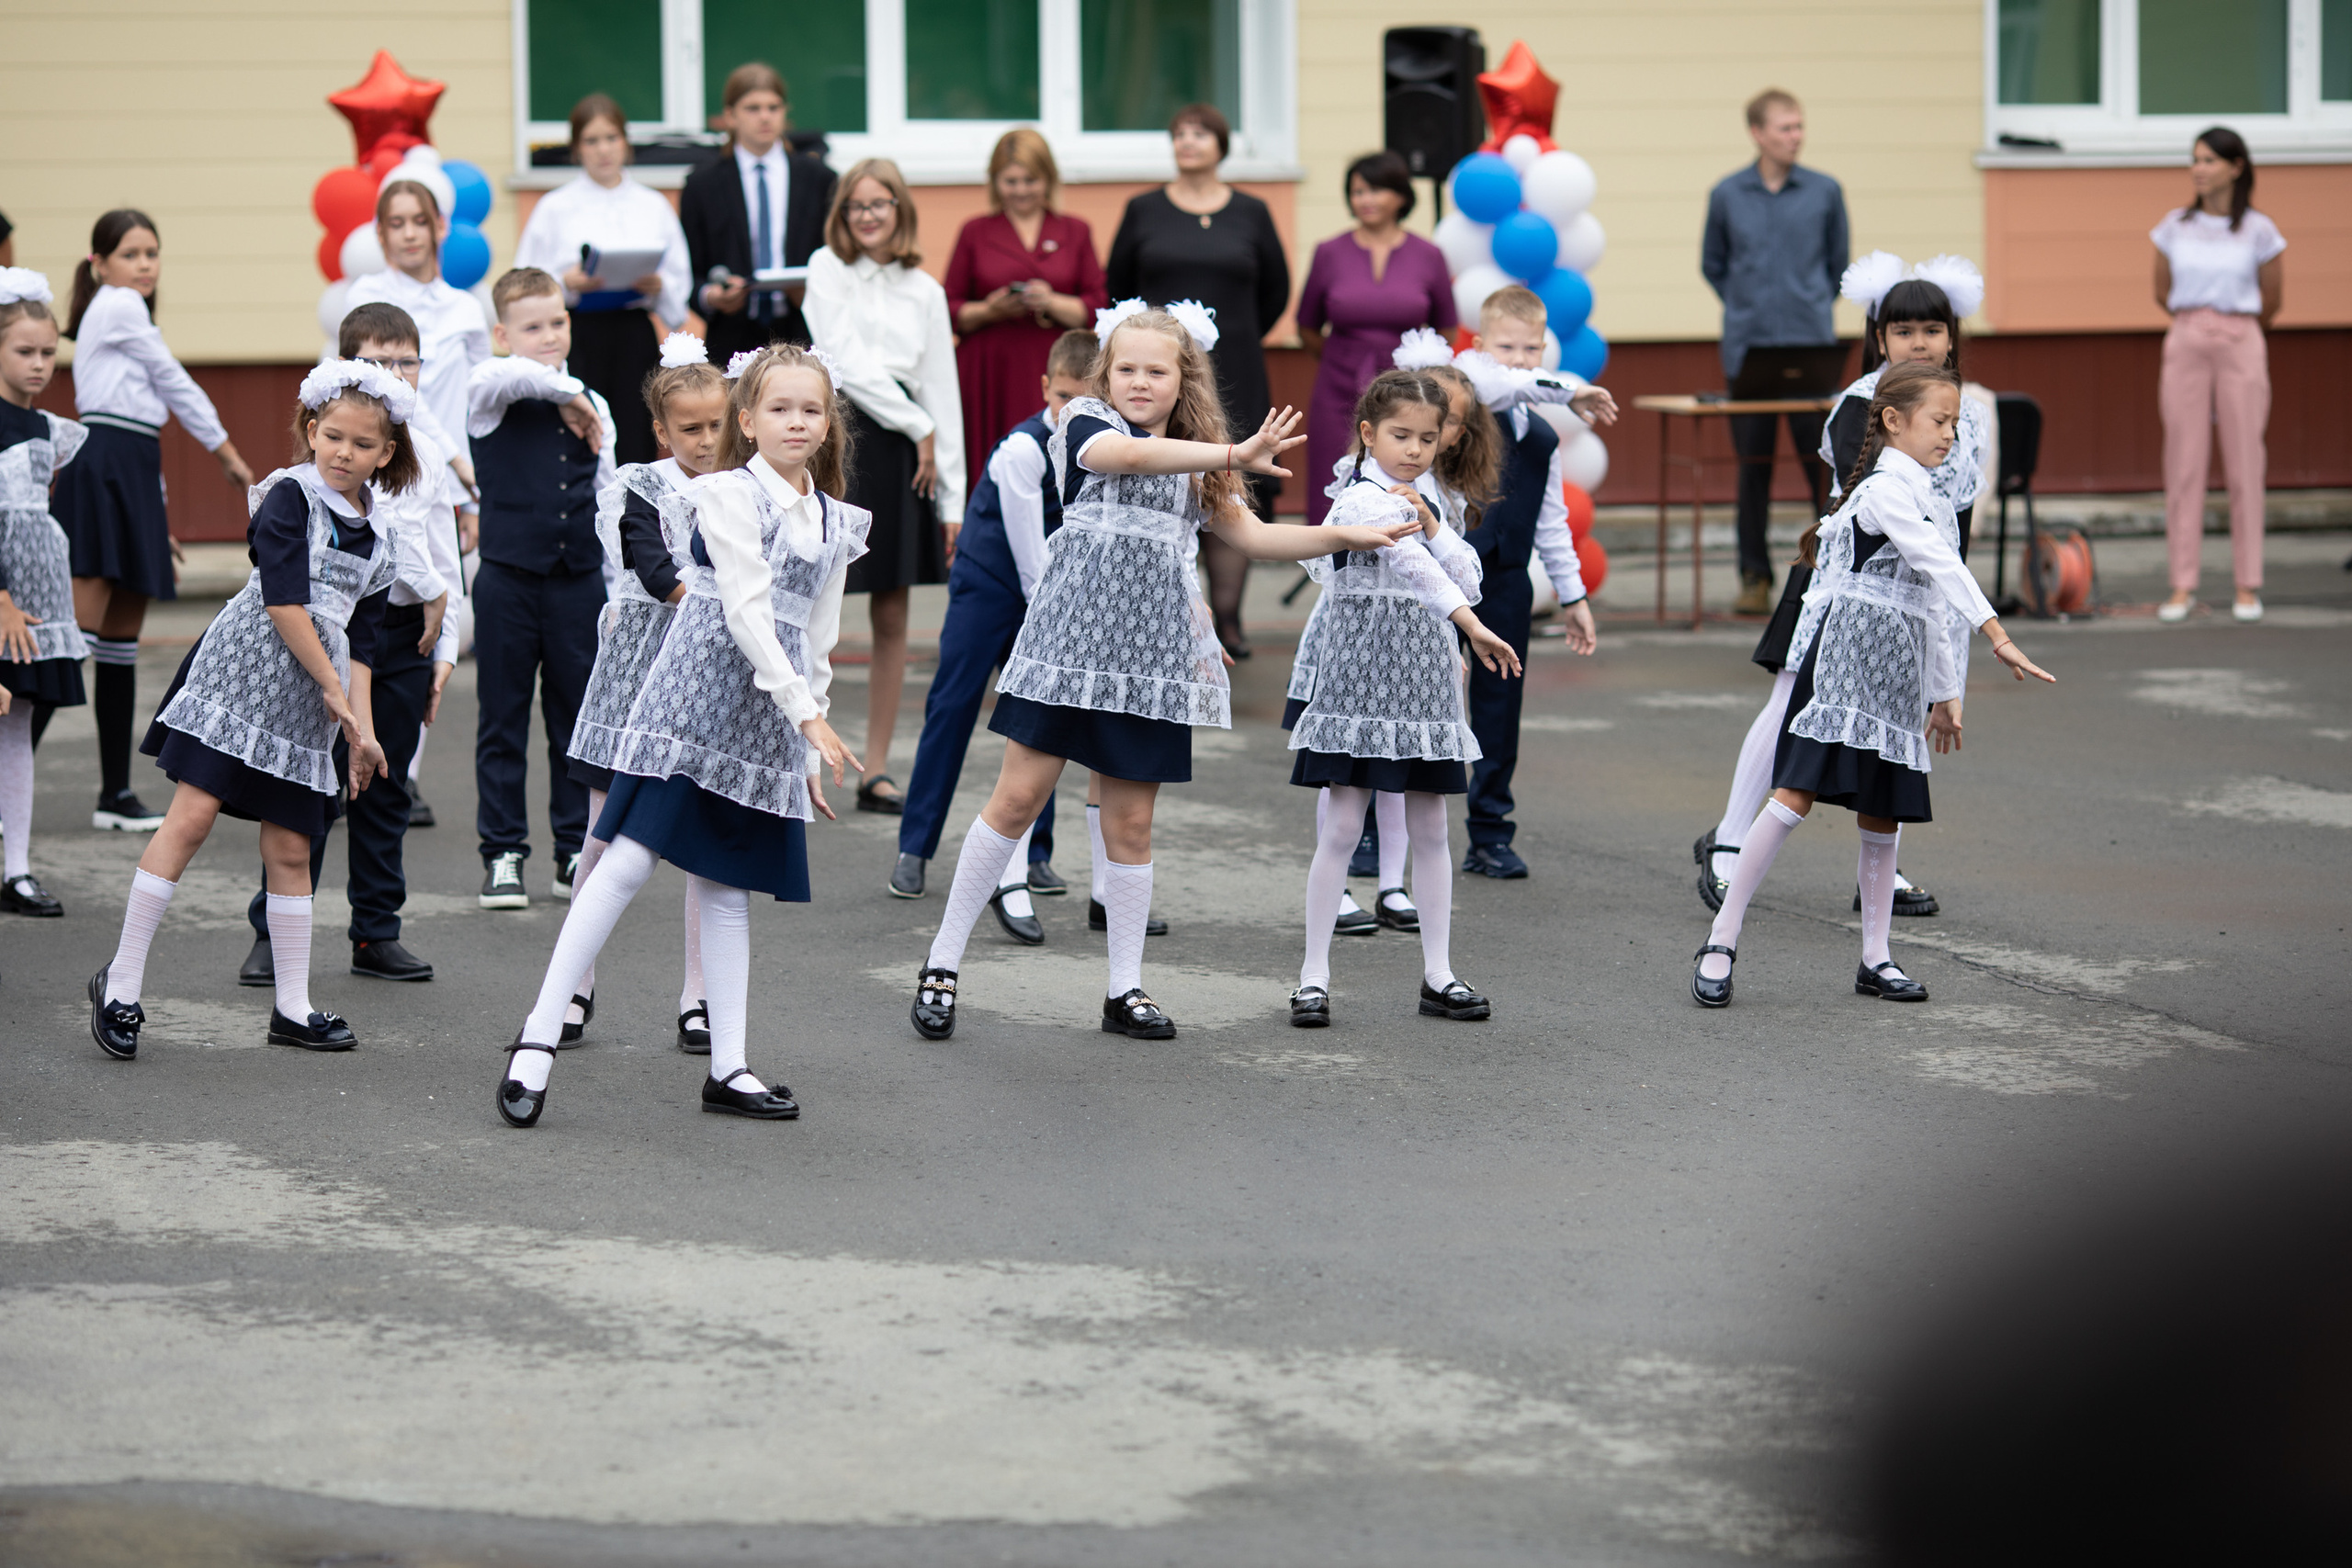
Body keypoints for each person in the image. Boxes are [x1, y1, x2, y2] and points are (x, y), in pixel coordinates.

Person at [905, 301, 1418, 1044]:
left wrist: (1343, 531)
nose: (1139, 381)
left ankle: (1125, 987)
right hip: (1069, 646)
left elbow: (1254, 534)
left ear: (1184, 379)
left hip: (1149, 661)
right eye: (1126, 369)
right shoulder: (1086, 421)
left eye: (1156, 369)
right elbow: (1126, 458)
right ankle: (942, 964)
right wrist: (1234, 454)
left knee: (1133, 822)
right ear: (1105, 377)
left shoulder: (1203, 454)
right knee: (1016, 799)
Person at [494, 344, 865, 1128]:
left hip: (768, 711)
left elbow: (817, 634)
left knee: (726, 886)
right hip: (695, 697)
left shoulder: (836, 518)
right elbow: (746, 610)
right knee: (626, 860)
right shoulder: (726, 494)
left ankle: (728, 1066)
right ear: (748, 419)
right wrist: (806, 712)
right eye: (779, 408)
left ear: (830, 424)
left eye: (811, 409)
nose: (796, 422)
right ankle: (538, 1035)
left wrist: (807, 735)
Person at [1690, 363, 2054, 1010]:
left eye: (1956, 423)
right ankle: (1721, 939)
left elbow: (1928, 608)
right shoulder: (1887, 488)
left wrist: (1944, 692)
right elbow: (1938, 565)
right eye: (1940, 421)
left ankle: (1876, 957)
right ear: (1893, 421)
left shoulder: (1935, 497)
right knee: (1792, 796)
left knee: (1883, 819)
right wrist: (1997, 633)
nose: (1951, 434)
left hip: (1895, 681)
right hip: (1841, 670)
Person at [89, 362, 413, 1060]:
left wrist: (363, 729)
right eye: (331, 437)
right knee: (192, 817)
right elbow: (283, 600)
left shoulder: (385, 538)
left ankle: (291, 1008)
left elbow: (364, 643)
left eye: (361, 444)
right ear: (310, 431)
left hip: (310, 698)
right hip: (244, 676)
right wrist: (333, 690)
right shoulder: (288, 496)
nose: (343, 453)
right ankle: (119, 985)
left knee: (292, 847)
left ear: (385, 453)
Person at [1699, 254, 1989, 919]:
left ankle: (1878, 875)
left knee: (1898, 720)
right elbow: (1873, 511)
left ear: (1953, 336)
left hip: (1922, 590)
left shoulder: (1964, 416)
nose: (1920, 342)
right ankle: (1729, 842)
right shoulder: (1862, 404)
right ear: (1878, 337)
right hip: (1842, 581)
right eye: (1903, 330)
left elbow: (1959, 517)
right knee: (1789, 706)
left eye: (1933, 329)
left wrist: (1954, 602)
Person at [1287, 369, 1520, 1030]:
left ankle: (1438, 973)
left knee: (1431, 829)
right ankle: (1312, 976)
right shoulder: (1359, 498)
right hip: (1359, 679)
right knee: (1340, 826)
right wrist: (1470, 625)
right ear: (1368, 433)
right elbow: (1419, 572)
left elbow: (1466, 571)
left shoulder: (1429, 498)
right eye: (1399, 435)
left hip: (1422, 685)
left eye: (1427, 437)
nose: (1415, 450)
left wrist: (1437, 527)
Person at [236, 304, 458, 990]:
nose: (395, 376)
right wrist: (434, 592)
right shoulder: (341, 465)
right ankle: (275, 931)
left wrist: (445, 643)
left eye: (406, 362)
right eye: (377, 363)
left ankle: (376, 932)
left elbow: (445, 567)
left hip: (401, 640)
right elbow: (390, 555)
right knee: (309, 788)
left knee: (384, 789)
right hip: (326, 639)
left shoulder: (425, 461)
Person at [54, 209, 254, 831]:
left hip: (134, 470)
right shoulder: (116, 304)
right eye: (131, 252)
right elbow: (171, 381)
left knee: (117, 647)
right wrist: (226, 452)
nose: (144, 264)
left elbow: (143, 415)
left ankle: (114, 793)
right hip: (105, 464)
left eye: (152, 252)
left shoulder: (127, 314)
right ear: (101, 264)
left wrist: (154, 515)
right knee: (65, 646)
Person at [890, 329, 1094, 922]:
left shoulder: (1098, 451)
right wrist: (1055, 623)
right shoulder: (1022, 451)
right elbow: (1032, 561)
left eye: (1084, 403)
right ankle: (915, 847)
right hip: (990, 585)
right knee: (952, 705)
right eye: (1061, 398)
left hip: (1046, 590)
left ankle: (1035, 856)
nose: (1069, 412)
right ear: (1043, 389)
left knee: (1044, 720)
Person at [560, 332, 729, 1052]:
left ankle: (699, 995)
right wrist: (725, 607)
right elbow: (656, 568)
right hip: (636, 673)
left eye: (718, 425)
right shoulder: (638, 486)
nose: (705, 440)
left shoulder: (742, 489)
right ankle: (572, 983)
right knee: (603, 836)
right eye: (689, 429)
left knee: (698, 844)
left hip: (704, 677)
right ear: (661, 430)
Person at [802, 159, 963, 818]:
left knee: (892, 613)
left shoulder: (924, 288)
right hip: (837, 434)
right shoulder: (824, 268)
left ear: (901, 210)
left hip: (905, 454)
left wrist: (951, 495)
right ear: (841, 215)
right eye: (856, 206)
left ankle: (877, 766)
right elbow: (839, 358)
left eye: (881, 203)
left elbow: (941, 389)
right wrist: (917, 421)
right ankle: (806, 759)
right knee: (816, 606)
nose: (868, 216)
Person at [1105, 104, 1290, 660]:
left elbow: (1276, 290)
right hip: (1155, 371)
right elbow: (1118, 285)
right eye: (1180, 134)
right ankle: (1164, 608)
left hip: (1233, 367)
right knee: (1165, 470)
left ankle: (1228, 619)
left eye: (1200, 134)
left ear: (1221, 144)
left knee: (1227, 473)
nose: (1189, 143)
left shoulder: (1252, 212)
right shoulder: (1143, 209)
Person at [466, 266, 616, 910]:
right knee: (502, 717)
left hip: (577, 581)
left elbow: (611, 503)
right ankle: (502, 851)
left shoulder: (595, 404)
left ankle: (571, 847)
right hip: (507, 579)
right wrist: (564, 392)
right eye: (532, 326)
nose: (549, 335)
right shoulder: (490, 390)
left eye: (557, 322)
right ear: (503, 333)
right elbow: (503, 374)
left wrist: (616, 595)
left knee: (574, 721)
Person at [1453, 286, 1616, 879]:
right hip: (1442, 578)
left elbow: (1550, 517)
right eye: (1506, 346)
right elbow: (1498, 384)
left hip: (1506, 580)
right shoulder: (1465, 390)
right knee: (1417, 698)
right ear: (1477, 344)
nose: (1521, 359)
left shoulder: (1539, 429)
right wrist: (1571, 391)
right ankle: (1374, 826)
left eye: (1532, 347)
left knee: (1499, 710)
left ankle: (1490, 831)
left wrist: (1573, 595)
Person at [346, 177, 492, 831]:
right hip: (398, 466)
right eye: (395, 222)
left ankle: (403, 771)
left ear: (439, 228)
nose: (409, 232)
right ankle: (358, 754)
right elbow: (398, 399)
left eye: (419, 220)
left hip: (454, 474)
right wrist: (456, 466)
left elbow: (479, 395)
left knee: (436, 624)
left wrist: (471, 479)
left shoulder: (464, 306)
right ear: (382, 235)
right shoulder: (366, 300)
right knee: (391, 610)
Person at [1702, 88, 1849, 615]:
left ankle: (1828, 567)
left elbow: (1838, 264)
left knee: (1824, 464)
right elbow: (1713, 265)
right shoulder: (1726, 194)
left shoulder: (1826, 191)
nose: (1795, 136)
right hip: (1749, 351)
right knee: (1753, 466)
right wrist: (1749, 308)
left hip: (1811, 347)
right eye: (1785, 128)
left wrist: (1807, 305)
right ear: (1758, 133)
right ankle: (1753, 576)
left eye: (1799, 127)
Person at [513, 94, 693, 468]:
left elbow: (679, 280)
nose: (603, 150)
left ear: (625, 142)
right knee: (580, 431)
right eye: (592, 141)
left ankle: (633, 520)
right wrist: (566, 283)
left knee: (632, 434)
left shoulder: (651, 204)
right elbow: (525, 282)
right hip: (577, 335)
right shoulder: (555, 207)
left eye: (611, 138)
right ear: (577, 148)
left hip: (632, 335)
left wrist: (659, 287)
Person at [2152, 127, 2283, 626]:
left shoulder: (2259, 230)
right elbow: (2162, 290)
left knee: (2246, 460)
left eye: (2209, 159)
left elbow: (2273, 301)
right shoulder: (2173, 228)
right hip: (2186, 340)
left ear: (2236, 166)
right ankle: (2182, 583)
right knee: (2184, 461)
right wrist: (2199, 321)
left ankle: (2247, 583)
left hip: (2241, 342)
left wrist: (2233, 325)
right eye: (2195, 159)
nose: (2199, 168)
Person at [1295, 152, 1456, 525]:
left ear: (1401, 196)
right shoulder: (1328, 252)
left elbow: (1446, 328)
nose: (1365, 200)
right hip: (1338, 389)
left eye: (1376, 190)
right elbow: (1306, 326)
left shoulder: (1429, 255)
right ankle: (1330, 571)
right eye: (1357, 191)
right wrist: (1344, 357)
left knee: (1401, 479)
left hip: (1407, 396)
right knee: (1330, 481)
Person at [0, 270, 90, 916]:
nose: (39, 364)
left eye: (47, 352)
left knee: (19, 722)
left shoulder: (48, 428)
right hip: (4, 600)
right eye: (24, 351)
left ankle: (17, 867)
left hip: (37, 596)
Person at [944, 129, 1108, 465]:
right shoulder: (975, 231)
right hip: (989, 368)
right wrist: (990, 310)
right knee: (990, 455)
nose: (1020, 190)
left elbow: (1098, 306)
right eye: (1011, 181)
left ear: (1048, 179)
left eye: (1030, 180)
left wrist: (1051, 302)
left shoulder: (1075, 230)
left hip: (1057, 363)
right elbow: (947, 307)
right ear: (995, 182)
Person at [680, 63, 838, 365]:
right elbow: (688, 270)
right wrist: (713, 296)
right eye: (753, 108)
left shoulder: (819, 179)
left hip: (802, 330)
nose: (765, 116)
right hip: (731, 334)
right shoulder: (702, 184)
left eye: (773, 107)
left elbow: (837, 258)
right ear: (730, 116)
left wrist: (812, 289)